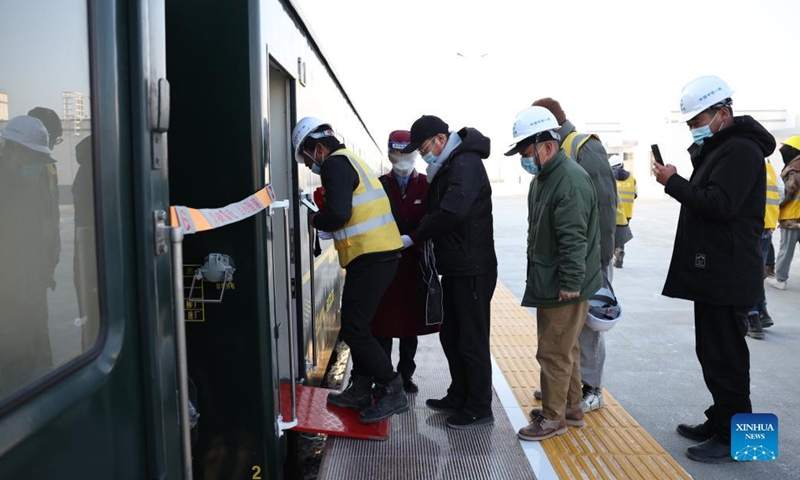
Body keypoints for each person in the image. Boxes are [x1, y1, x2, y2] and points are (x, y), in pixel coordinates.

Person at [653, 75, 774, 463]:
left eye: (697, 120)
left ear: (723, 113)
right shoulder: (725, 148)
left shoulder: (740, 150)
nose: (693, 127)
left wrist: (673, 182)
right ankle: (720, 418)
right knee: (713, 352)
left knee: (727, 358)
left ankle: (736, 437)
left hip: (729, 271)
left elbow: (718, 204)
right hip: (717, 271)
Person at [291, 117, 407, 424]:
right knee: (361, 325)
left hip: (372, 256)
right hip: (378, 255)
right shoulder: (351, 161)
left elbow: (340, 213)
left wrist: (318, 220)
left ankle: (393, 389)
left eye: (306, 158)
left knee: (354, 327)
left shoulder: (333, 165)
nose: (308, 166)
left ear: (318, 148)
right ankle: (360, 387)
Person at [505, 106, 602, 441]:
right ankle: (571, 408)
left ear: (547, 145)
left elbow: (573, 238)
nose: (524, 158)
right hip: (552, 277)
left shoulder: (568, 180)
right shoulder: (546, 178)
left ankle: (553, 418)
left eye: (527, 152)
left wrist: (570, 283)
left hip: (564, 283)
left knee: (553, 351)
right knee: (566, 348)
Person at [399, 114, 497, 429]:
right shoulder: (451, 163)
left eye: (424, 146)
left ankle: (479, 407)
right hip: (457, 265)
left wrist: (415, 235)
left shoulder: (465, 163)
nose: (423, 154)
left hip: (473, 267)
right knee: (452, 334)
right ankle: (459, 394)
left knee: (471, 339)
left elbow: (451, 211)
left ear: (441, 139)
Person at [531, 97, 617, 413]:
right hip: (578, 257)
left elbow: (604, 206)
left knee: (588, 325)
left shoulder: (583, 146)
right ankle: (565, 389)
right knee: (569, 331)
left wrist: (595, 263)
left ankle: (592, 389)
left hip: (591, 257)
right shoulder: (560, 149)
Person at [371, 130, 440, 393]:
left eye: (407, 154)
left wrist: (413, 239)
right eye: (397, 154)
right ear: (389, 154)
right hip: (384, 265)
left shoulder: (426, 184)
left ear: (416, 154)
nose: (402, 159)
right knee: (383, 325)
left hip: (414, 265)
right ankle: (384, 376)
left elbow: (432, 221)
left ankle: (405, 374)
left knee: (410, 325)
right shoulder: (379, 185)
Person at [0, 115, 61, 396]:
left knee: (34, 362)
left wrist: (45, 268)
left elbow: (42, 229)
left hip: (32, 288)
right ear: (12, 150)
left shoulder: (32, 184)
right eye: (32, 158)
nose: (36, 166)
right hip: (9, 300)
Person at [745, 158, 783, 338]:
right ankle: (762, 312)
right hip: (768, 226)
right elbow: (781, 193)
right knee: (756, 273)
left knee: (746, 275)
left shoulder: (743, 161)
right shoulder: (770, 168)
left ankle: (753, 320)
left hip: (750, 227)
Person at [766, 135, 800, 291]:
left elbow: (789, 191)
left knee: (786, 249)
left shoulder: (795, 169)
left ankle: (780, 279)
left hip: (791, 216)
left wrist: (778, 203)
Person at [610, 155, 636, 268]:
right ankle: (620, 250)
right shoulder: (632, 178)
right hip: (628, 212)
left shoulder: (610, 177)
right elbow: (635, 194)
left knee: (612, 234)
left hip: (614, 211)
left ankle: (614, 252)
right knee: (621, 234)